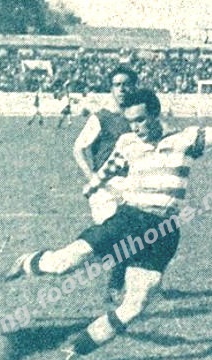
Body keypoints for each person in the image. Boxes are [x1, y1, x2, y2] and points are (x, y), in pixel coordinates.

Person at [0, 88, 212, 360]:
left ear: (156, 114)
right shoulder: (127, 142)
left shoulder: (187, 140)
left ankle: (75, 351)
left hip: (164, 231)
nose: (135, 127)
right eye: (130, 122)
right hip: (128, 220)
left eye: (140, 120)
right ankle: (27, 261)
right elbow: (110, 167)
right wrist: (94, 185)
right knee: (63, 264)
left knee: (136, 304)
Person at [72, 66, 137, 302]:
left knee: (130, 238)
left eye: (126, 84)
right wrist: (92, 177)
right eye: (117, 85)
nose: (122, 89)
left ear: (134, 87)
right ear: (111, 88)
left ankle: (115, 286)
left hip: (132, 185)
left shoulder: (137, 118)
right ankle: (109, 279)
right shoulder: (101, 117)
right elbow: (78, 148)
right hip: (105, 188)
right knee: (114, 239)